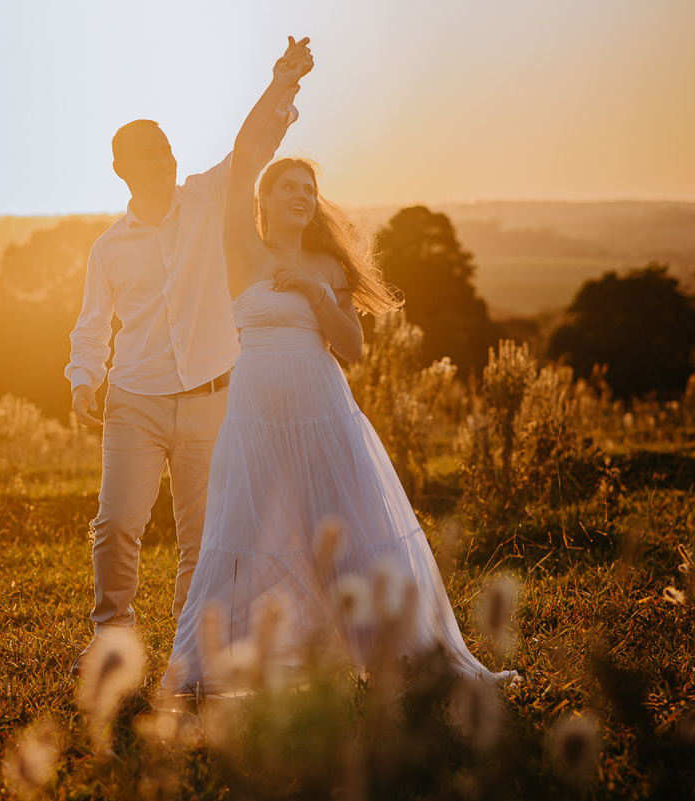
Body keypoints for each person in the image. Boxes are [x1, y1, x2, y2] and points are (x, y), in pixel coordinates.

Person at [161, 51, 516, 697]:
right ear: (264, 200)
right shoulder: (243, 250)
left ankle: (407, 660)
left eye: (309, 190)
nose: (300, 197)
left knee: (355, 530)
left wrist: (318, 294)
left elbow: (352, 349)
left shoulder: (328, 267)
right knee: (241, 530)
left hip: (323, 404)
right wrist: (280, 84)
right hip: (256, 408)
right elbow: (243, 156)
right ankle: (206, 669)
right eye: (287, 188)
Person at [66, 38, 314, 675]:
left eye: (164, 149)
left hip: (212, 398)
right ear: (120, 170)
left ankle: (188, 648)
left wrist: (283, 82)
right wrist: (83, 377)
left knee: (201, 541)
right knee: (118, 523)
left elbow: (253, 145)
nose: (159, 161)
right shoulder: (108, 249)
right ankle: (112, 638)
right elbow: (93, 325)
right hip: (135, 402)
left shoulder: (206, 199)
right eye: (143, 156)